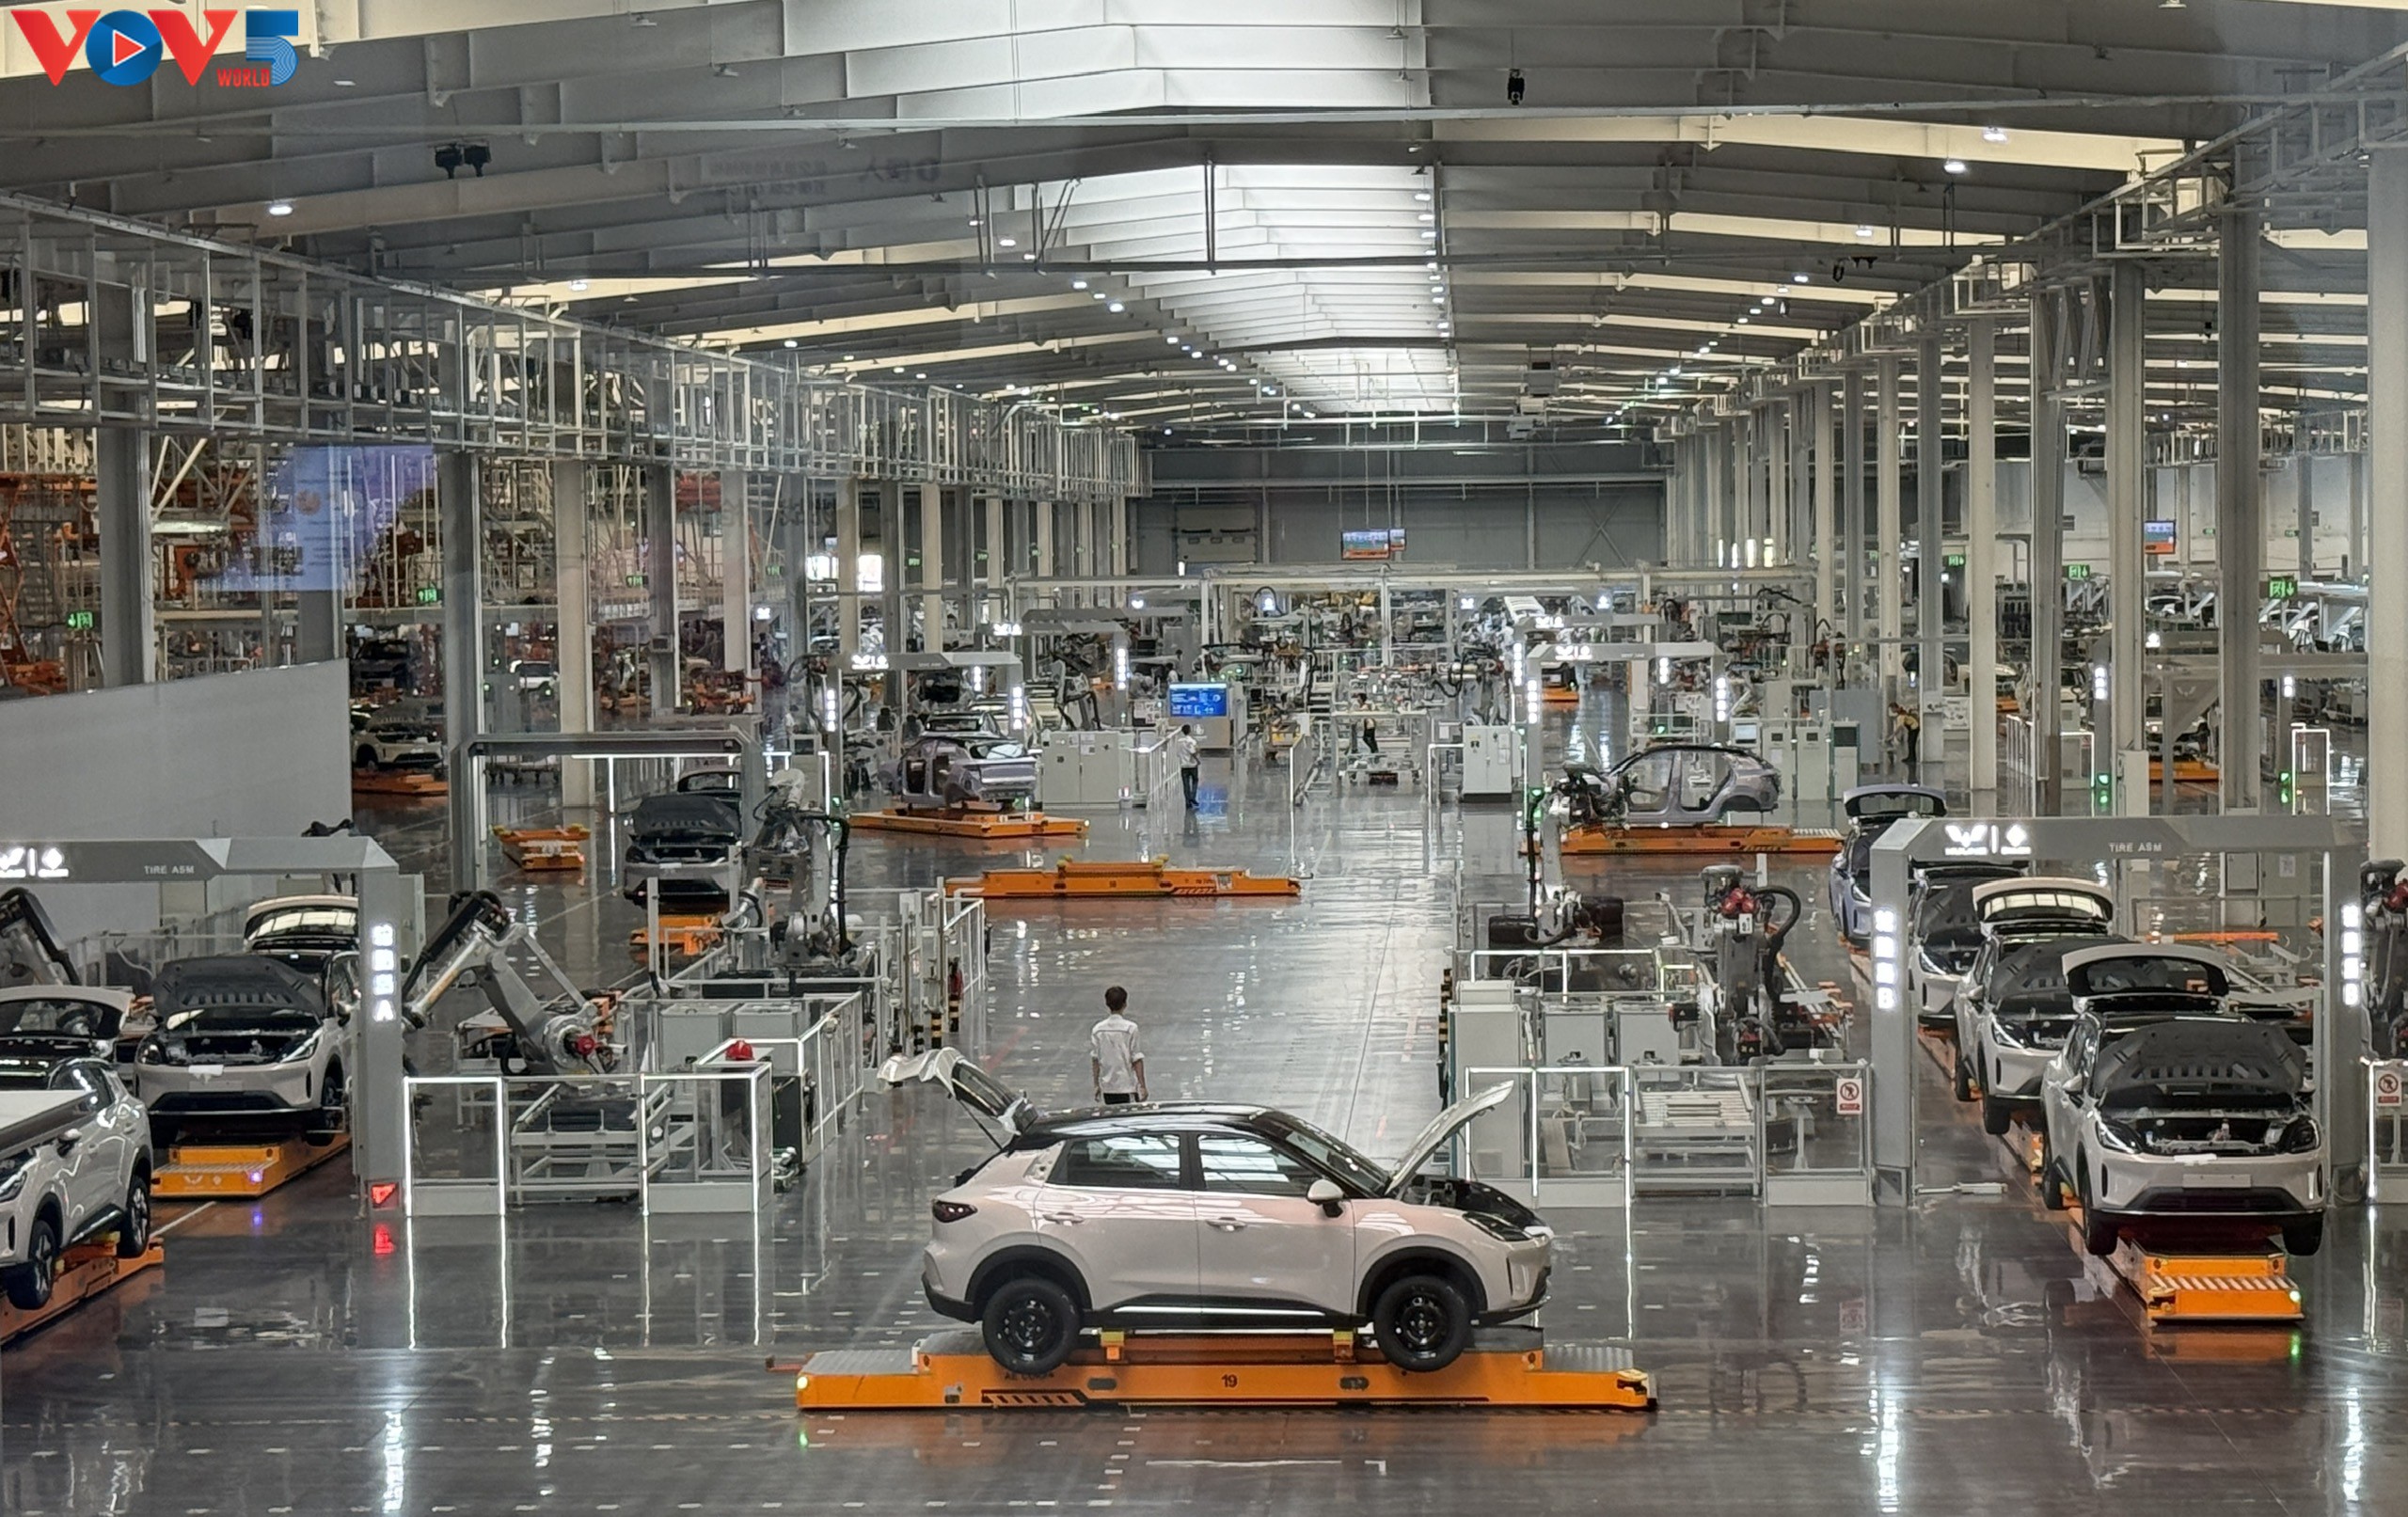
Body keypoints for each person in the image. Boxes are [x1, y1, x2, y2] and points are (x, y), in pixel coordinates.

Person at [1090, 987, 1147, 1105]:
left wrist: (1096, 1084)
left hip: (1108, 1087)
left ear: (1107, 1003)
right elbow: (1136, 1059)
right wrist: (1142, 1085)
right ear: (1125, 1004)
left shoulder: (1098, 1030)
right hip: (1127, 1085)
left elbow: (1095, 1059)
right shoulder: (1130, 1028)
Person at [1175, 723, 1201, 809]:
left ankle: (1187, 801)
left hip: (1183, 765)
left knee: (1186, 784)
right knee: (1195, 781)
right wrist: (1197, 760)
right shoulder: (1191, 741)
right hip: (1192, 765)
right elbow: (1193, 752)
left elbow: (1177, 753)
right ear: (1189, 731)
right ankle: (1192, 797)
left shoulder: (1178, 742)